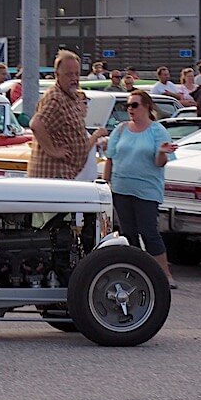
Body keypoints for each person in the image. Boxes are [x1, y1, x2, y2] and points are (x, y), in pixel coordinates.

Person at [102, 89, 178, 288]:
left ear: (146, 107)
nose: (130, 109)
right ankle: (134, 273)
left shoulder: (157, 131)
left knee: (149, 232)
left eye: (134, 105)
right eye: (128, 106)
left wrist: (161, 152)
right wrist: (104, 184)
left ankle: (165, 274)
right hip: (121, 187)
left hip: (146, 189)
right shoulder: (120, 129)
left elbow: (160, 162)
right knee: (128, 234)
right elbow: (110, 158)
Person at [28, 50, 105, 179]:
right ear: (57, 75)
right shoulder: (56, 98)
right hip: (53, 175)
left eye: (77, 74)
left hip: (66, 174)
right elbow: (37, 124)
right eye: (69, 74)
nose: (74, 78)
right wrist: (53, 151)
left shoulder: (70, 96)